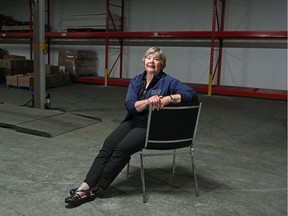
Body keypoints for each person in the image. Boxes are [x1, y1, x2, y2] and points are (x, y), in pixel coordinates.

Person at [65, 47, 198, 206]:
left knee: (122, 148)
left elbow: (192, 95)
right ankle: (88, 185)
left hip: (151, 127)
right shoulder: (136, 80)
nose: (151, 61)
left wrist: (169, 98)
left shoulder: (168, 81)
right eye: (149, 58)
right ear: (144, 61)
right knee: (108, 145)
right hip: (133, 121)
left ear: (161, 64)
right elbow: (130, 105)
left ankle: (92, 187)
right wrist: (149, 101)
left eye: (156, 59)